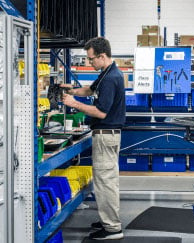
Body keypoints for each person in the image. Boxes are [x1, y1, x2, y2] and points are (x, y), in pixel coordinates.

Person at [61, 37, 125, 240]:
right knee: (105, 181)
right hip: (107, 136)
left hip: (106, 135)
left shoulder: (111, 78)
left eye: (91, 59)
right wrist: (72, 91)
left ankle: (113, 228)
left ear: (102, 56)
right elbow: (89, 90)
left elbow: (101, 112)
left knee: (105, 182)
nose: (90, 63)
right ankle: (108, 220)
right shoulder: (107, 73)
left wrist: (74, 103)